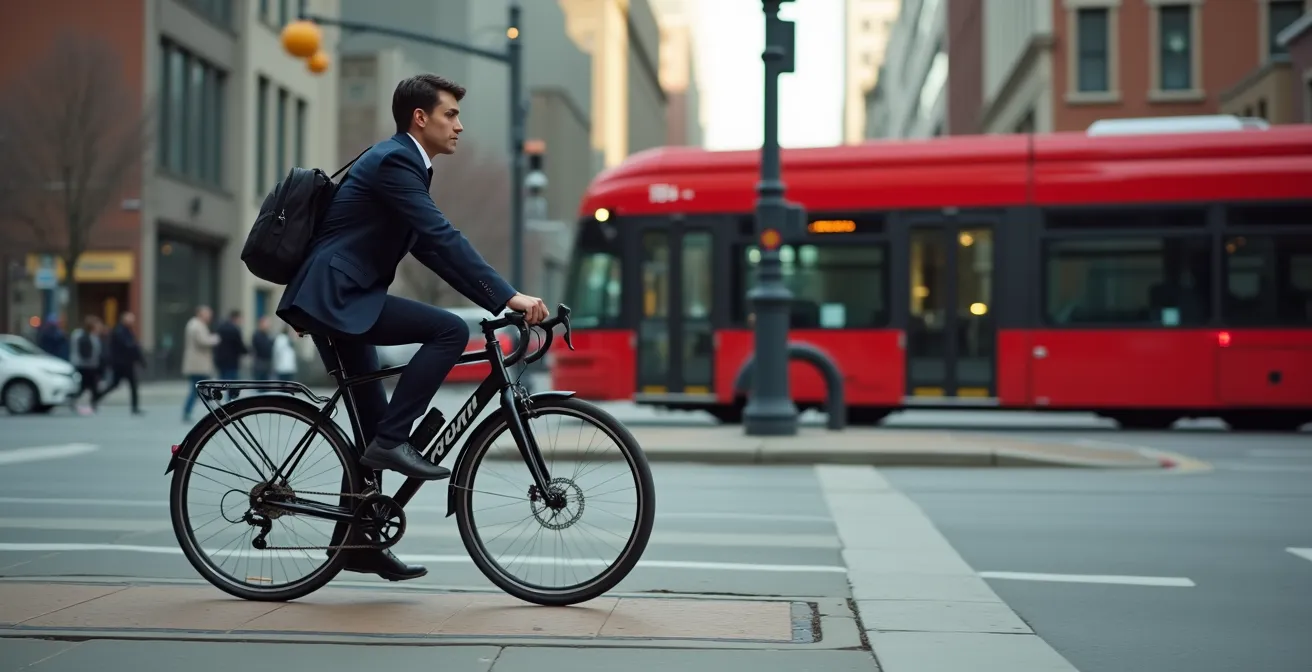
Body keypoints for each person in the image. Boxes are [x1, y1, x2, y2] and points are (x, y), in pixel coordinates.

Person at [276, 73, 547, 581]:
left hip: (344, 298)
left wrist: (492, 299)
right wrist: (508, 296)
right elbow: (441, 236)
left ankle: (357, 543)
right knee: (447, 331)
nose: (459, 126)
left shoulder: (404, 165)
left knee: (373, 431)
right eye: (451, 114)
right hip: (340, 298)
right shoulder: (397, 160)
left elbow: (429, 247)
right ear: (420, 118)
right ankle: (393, 443)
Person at [94, 311, 145, 414]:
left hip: (125, 363)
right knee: (116, 384)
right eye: (130, 319)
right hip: (122, 364)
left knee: (128, 385)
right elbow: (129, 347)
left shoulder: (126, 331)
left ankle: (134, 407)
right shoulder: (120, 331)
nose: (132, 321)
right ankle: (96, 397)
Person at [181, 305, 221, 422]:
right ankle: (214, 411)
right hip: (197, 365)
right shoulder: (196, 325)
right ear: (201, 314)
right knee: (199, 389)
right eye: (207, 314)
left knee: (201, 389)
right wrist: (214, 339)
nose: (209, 317)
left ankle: (214, 411)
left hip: (198, 364)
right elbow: (202, 341)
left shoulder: (196, 324)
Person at [68, 315, 104, 415]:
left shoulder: (91, 336)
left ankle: (91, 404)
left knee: (89, 386)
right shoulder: (85, 336)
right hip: (86, 366)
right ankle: (84, 403)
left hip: (89, 365)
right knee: (87, 386)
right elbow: (87, 353)